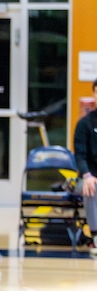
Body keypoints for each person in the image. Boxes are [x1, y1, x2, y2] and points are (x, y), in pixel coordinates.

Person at [75, 78, 97, 257]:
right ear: (94, 94)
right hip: (89, 176)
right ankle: (95, 236)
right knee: (91, 188)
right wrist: (87, 175)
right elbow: (80, 155)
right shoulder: (85, 124)